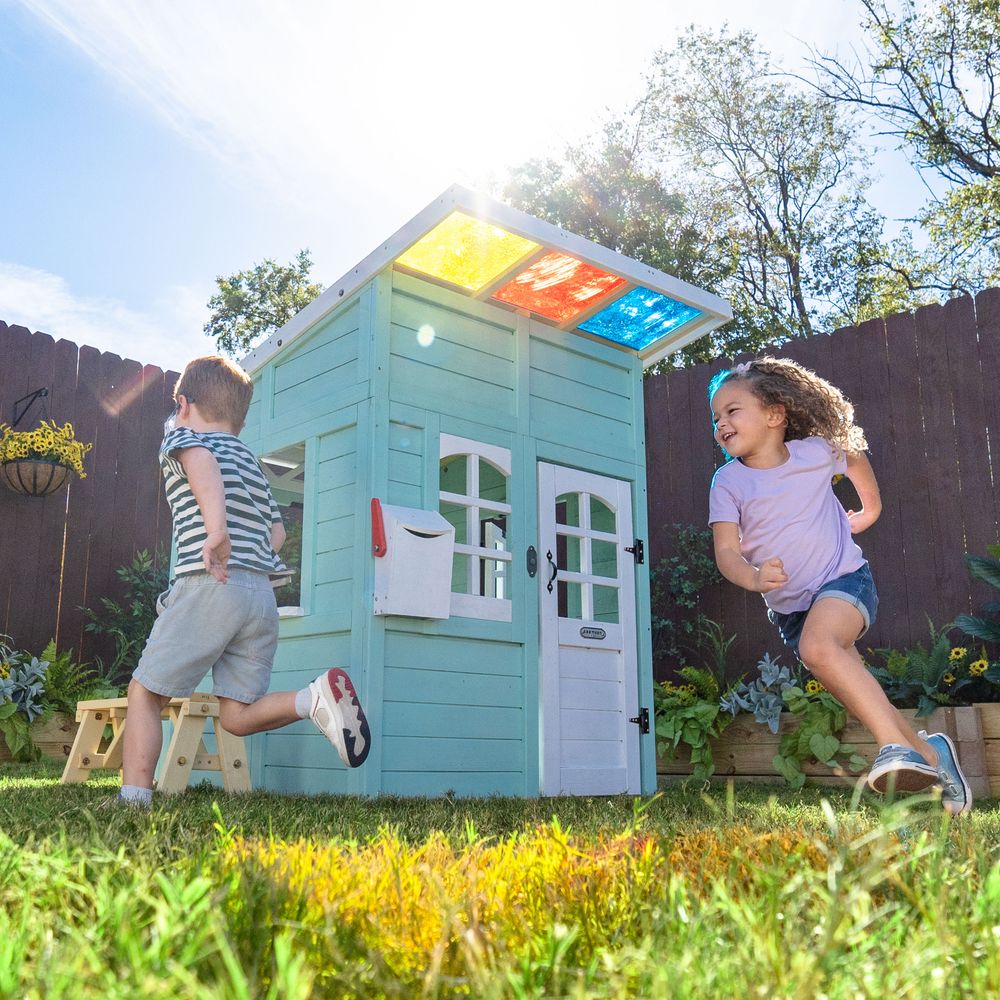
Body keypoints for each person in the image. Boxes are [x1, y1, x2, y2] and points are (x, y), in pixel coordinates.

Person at [707, 357, 971, 814]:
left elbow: (852, 455)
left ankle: (896, 749)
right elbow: (727, 552)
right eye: (716, 418)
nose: (721, 424)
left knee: (819, 647)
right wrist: (752, 577)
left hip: (844, 580)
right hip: (793, 610)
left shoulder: (813, 451)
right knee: (857, 686)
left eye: (732, 410)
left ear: (775, 414)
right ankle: (931, 754)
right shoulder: (728, 481)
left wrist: (869, 510)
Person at [120, 355, 370, 808]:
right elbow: (277, 531)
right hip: (259, 597)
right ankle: (311, 699)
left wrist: (216, 529)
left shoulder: (184, 437)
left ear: (183, 403)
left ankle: (134, 798)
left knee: (144, 692)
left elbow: (200, 467)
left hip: (210, 583)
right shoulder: (251, 464)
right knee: (235, 715)